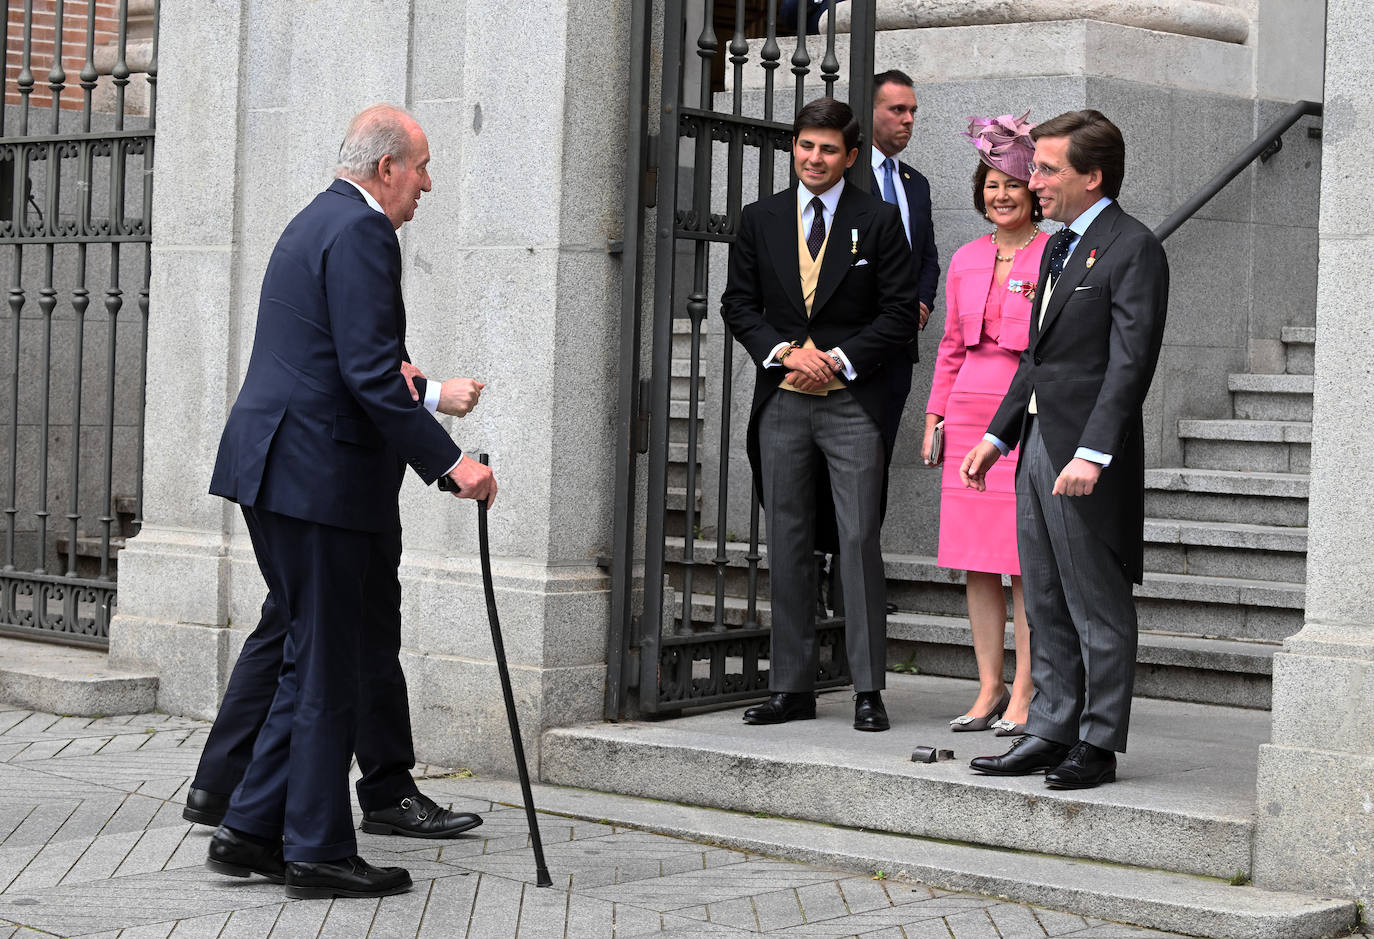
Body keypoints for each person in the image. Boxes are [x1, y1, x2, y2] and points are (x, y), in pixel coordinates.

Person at [202, 104, 499, 898]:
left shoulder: (313, 221)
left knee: (308, 655)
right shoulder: (363, 232)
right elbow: (373, 374)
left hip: (279, 470)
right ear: (385, 167)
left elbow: (349, 362)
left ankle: (250, 828)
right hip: (317, 480)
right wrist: (451, 465)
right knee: (326, 664)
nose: (428, 185)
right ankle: (319, 850)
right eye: (423, 167)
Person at [961, 109, 1169, 789]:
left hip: (1084, 457)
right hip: (1036, 445)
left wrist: (1095, 453)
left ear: (1093, 176)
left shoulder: (1134, 247)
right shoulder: (1054, 247)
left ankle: (1097, 742)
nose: (1031, 179)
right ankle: (1050, 727)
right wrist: (998, 433)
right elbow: (1039, 356)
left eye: (1047, 168)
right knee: (1045, 596)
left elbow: (1128, 364)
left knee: (1095, 602)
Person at [720, 97, 920, 733]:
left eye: (828, 149)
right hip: (782, 401)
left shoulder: (881, 220)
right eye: (806, 146)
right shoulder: (761, 218)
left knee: (859, 541)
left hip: (851, 404)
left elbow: (898, 312)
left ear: (851, 156)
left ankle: (867, 689)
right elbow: (737, 305)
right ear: (795, 149)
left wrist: (833, 359)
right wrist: (783, 354)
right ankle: (792, 688)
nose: (814, 158)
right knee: (787, 540)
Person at [925, 113, 1046, 736]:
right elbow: (949, 344)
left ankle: (1026, 689)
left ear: (1035, 193)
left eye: (1013, 184)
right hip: (970, 412)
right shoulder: (967, 257)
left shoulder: (1054, 253)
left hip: (1024, 415)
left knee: (1023, 560)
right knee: (976, 562)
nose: (1000, 195)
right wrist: (934, 413)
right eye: (991, 184)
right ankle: (989, 687)